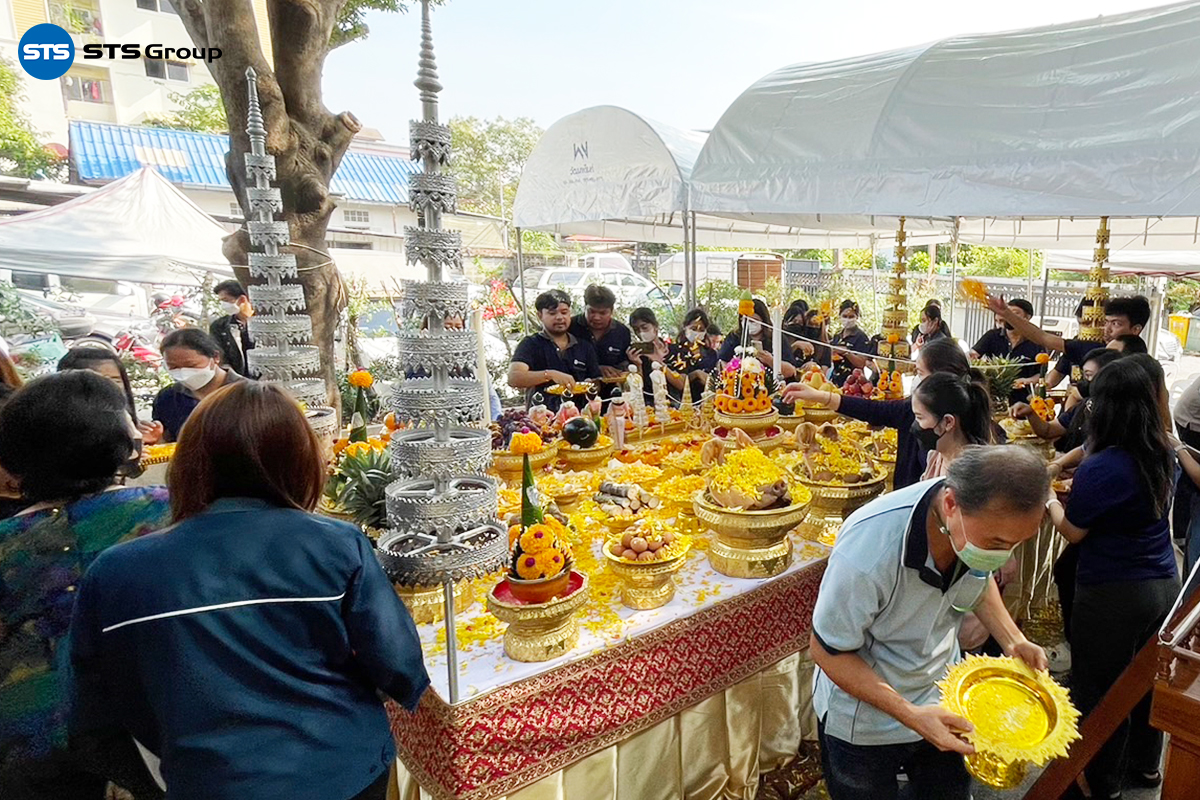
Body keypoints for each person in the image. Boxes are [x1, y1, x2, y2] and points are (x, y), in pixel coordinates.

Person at [67, 382, 430, 800]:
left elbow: (94, 717)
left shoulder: (114, 572)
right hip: (339, 767)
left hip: (205, 778)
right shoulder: (334, 544)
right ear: (300, 460)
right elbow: (398, 665)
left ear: (189, 462)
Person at [812, 446, 1050, 800]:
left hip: (943, 699)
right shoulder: (869, 551)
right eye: (997, 543)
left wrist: (1012, 638)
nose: (1003, 556)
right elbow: (827, 651)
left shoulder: (968, 526)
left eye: (1015, 544)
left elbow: (978, 574)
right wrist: (910, 714)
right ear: (951, 504)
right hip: (866, 721)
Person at [0, 371, 169, 800]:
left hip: (31, 750)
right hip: (159, 737)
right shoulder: (171, 515)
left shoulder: (7, 544)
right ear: (119, 440)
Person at [1044, 356, 1179, 799]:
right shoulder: (1161, 449)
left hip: (1112, 592)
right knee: (1144, 683)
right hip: (1163, 585)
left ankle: (1102, 784)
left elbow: (1073, 531)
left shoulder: (1103, 468)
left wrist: (1048, 499)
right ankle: (1145, 769)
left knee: (1100, 690)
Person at [783, 338, 974, 490]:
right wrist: (819, 396)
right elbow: (875, 410)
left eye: (920, 373)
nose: (916, 379)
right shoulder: (913, 409)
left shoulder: (969, 454)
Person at [990, 293, 1151, 384]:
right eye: (1106, 322)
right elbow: (1042, 337)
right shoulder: (1086, 345)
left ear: (1136, 329)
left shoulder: (1144, 364)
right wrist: (1007, 314)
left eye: (1115, 324)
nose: (1107, 329)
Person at [508, 290, 600, 412]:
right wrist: (549, 375)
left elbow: (595, 381)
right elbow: (514, 378)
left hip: (578, 417)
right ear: (540, 315)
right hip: (542, 417)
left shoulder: (584, 346)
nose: (560, 317)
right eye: (552, 313)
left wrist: (589, 385)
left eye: (564, 312)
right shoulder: (530, 344)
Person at [152, 328, 242, 442]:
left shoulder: (249, 394)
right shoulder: (167, 398)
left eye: (191, 365)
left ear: (215, 357)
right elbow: (166, 441)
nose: (183, 373)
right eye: (173, 367)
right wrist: (156, 438)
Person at [58, 346, 163, 445]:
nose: (110, 386)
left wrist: (144, 441)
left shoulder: (125, 421)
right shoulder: (61, 428)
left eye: (116, 380)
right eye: (99, 380)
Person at [913, 372, 995, 480]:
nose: (915, 425)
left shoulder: (972, 475)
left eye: (920, 417)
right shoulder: (935, 457)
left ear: (948, 422)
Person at [970, 298, 1044, 404]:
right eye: (1007, 312)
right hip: (992, 399)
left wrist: (1026, 381)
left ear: (1027, 318)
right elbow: (973, 355)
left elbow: (1041, 375)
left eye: (1015, 313)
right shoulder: (992, 336)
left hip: (1023, 400)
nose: (1009, 317)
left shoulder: (1037, 342)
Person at [719, 297, 798, 378]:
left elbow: (791, 371)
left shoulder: (777, 339)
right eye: (745, 320)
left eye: (753, 321)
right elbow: (723, 361)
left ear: (763, 321)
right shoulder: (734, 337)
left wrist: (771, 361)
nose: (749, 324)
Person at [568, 284, 630, 382]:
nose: (597, 318)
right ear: (585, 308)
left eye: (602, 313)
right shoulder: (570, 327)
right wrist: (595, 368)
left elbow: (624, 363)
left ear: (612, 311)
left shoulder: (622, 332)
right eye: (592, 312)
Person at [626, 307, 679, 407]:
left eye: (644, 327)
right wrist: (638, 365)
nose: (641, 332)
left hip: (676, 403)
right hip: (649, 405)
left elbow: (681, 384)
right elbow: (638, 390)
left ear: (655, 326)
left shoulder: (674, 350)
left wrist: (660, 363)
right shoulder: (638, 355)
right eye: (637, 330)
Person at [670, 308, 719, 402]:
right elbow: (676, 379)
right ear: (685, 327)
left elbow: (715, 380)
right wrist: (696, 374)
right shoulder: (675, 351)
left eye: (701, 330)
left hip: (707, 402)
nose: (697, 333)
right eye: (693, 329)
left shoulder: (711, 354)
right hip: (682, 401)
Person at [209, 280, 256, 377]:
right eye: (221, 301)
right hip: (237, 380)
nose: (223, 305)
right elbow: (220, 357)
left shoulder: (265, 323)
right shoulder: (220, 326)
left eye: (226, 300)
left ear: (242, 299)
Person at [829, 300, 873, 386]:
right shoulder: (837, 335)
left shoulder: (861, 337)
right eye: (845, 316)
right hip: (836, 380)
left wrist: (847, 353)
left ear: (857, 317)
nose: (848, 320)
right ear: (840, 316)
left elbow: (862, 363)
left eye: (851, 317)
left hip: (854, 383)